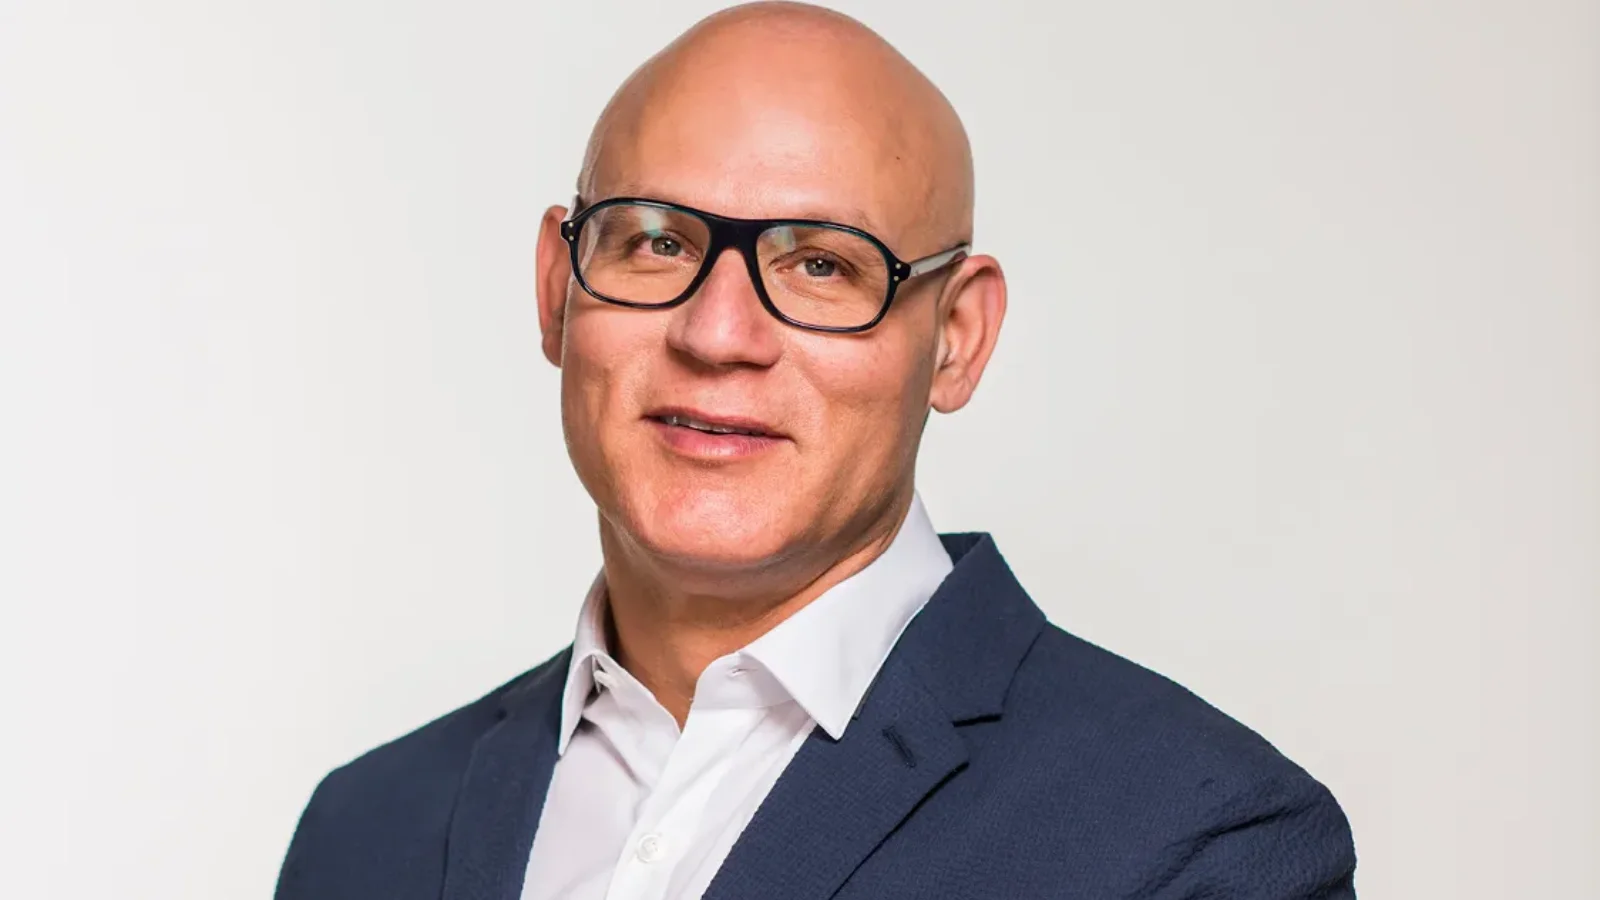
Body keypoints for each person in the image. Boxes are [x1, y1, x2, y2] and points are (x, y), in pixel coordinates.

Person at [273, 3, 1357, 898]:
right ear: (558, 291)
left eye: (823, 266)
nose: (717, 335)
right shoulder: (365, 831)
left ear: (957, 338)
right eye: (657, 242)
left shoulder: (1189, 840)